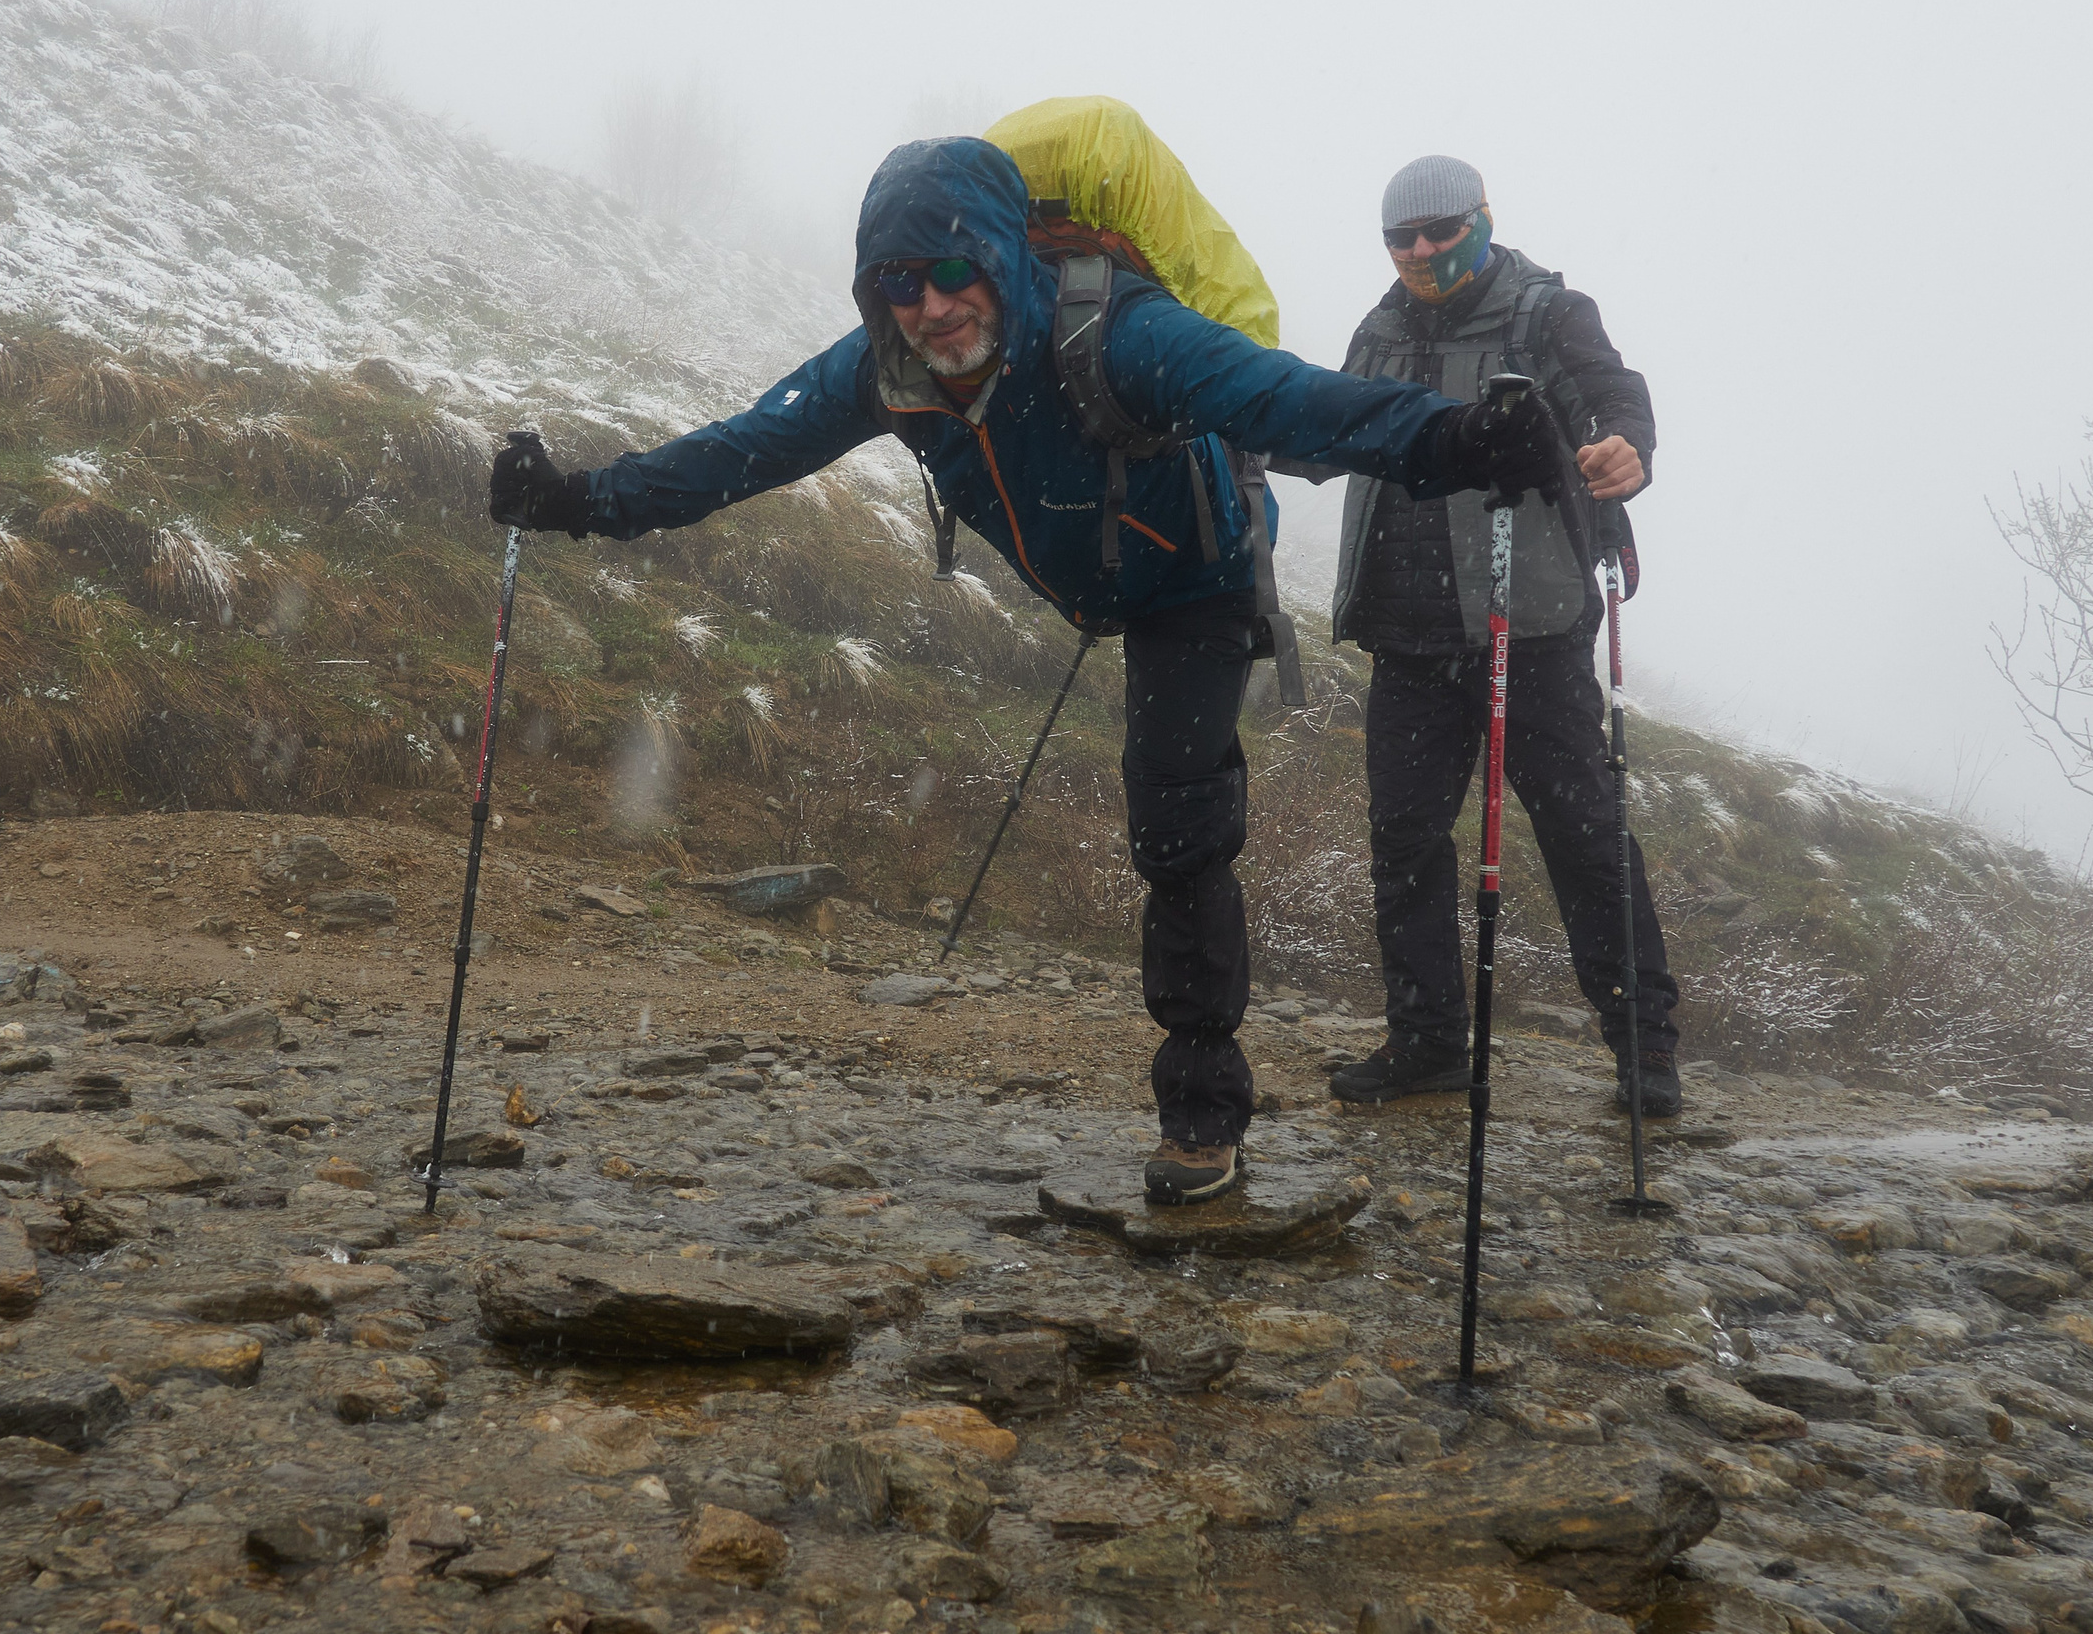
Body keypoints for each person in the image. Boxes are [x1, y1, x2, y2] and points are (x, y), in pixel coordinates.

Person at [487, 135, 1560, 1204]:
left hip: (1196, 579)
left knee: (1176, 823)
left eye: (955, 270)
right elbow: (741, 450)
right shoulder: (887, 369)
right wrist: (577, 501)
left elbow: (1290, 399)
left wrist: (1459, 436)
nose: (932, 304)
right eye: (897, 281)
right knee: (1168, 818)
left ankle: (1201, 1117)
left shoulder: (1121, 334)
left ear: (1002, 258)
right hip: (1094, 572)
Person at [1323, 155, 1681, 1116]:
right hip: (1408, 632)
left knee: (1584, 836)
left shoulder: (1548, 314)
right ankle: (1427, 1039)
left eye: (1442, 230)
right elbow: (1334, 421)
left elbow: (1617, 393)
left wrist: (1623, 446)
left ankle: (1644, 1044)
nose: (1424, 251)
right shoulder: (1379, 328)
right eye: (1404, 239)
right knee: (1403, 842)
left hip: (1531, 624)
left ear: (1482, 219)